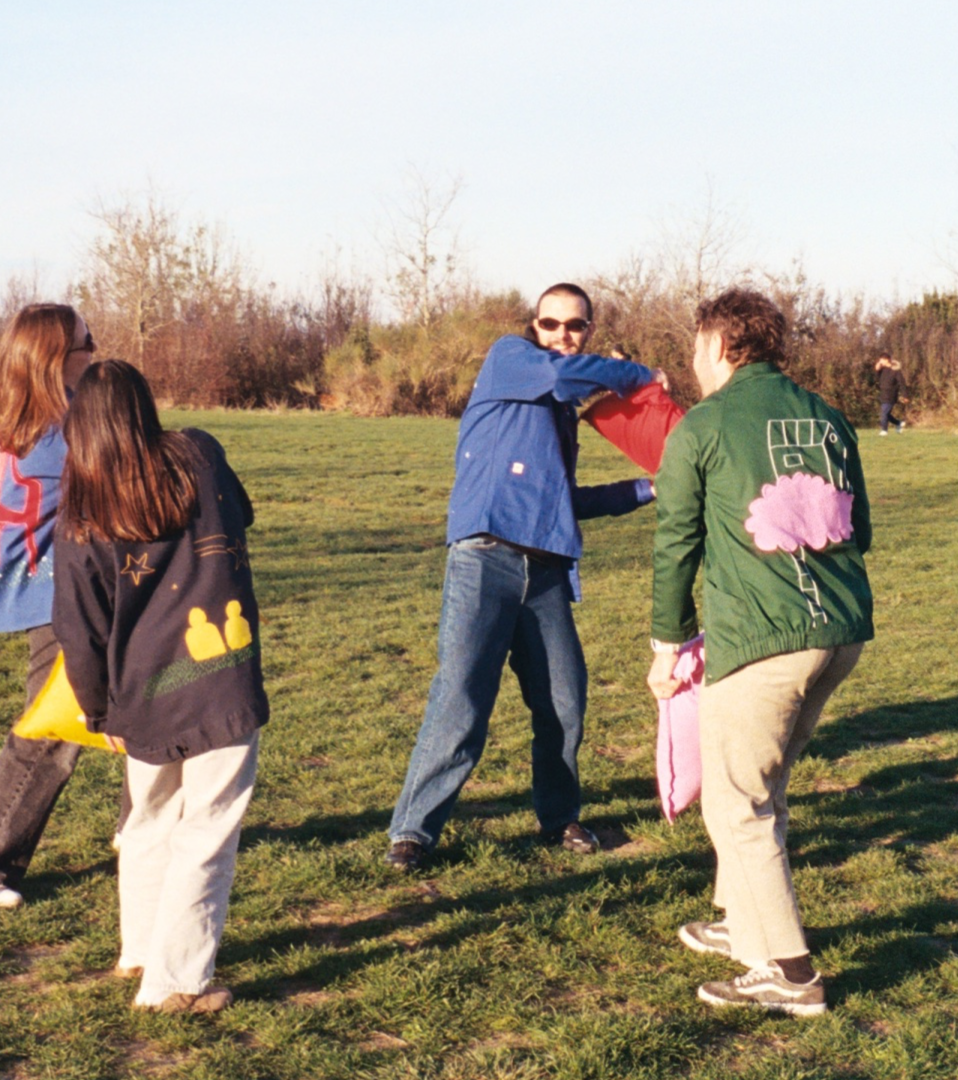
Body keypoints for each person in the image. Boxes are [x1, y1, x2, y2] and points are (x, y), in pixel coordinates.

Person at [385, 283, 668, 872]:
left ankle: (560, 818)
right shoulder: (510, 360)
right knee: (461, 699)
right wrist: (638, 375)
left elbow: (564, 501)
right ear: (533, 327)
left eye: (576, 326)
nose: (563, 334)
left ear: (589, 330)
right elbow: (566, 376)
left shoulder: (561, 414)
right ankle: (412, 833)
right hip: (483, 558)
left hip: (545, 571)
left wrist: (648, 489)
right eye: (551, 323)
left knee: (564, 701)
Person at [648, 288, 873, 1016]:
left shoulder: (704, 424)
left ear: (718, 345)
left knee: (737, 804)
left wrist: (667, 647)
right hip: (839, 633)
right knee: (758, 786)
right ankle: (743, 923)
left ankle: (790, 973)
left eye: (696, 347)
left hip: (764, 640)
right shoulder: (829, 417)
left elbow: (675, 544)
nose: (693, 362)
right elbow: (859, 530)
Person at [53, 360, 269, 1014]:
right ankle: (174, 982)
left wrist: (97, 710)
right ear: (144, 407)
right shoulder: (200, 453)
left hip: (139, 695)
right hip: (221, 684)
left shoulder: (81, 511)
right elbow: (244, 513)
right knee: (207, 830)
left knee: (147, 822)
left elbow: (77, 627)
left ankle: (143, 952)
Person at [0, 303, 110, 908]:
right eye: (88, 341)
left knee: (131, 698)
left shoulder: (18, 423)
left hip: (37, 588)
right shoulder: (65, 433)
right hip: (57, 595)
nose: (96, 351)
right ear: (57, 358)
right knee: (52, 727)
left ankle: (143, 824)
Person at [874, 352, 910, 435]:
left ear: (887, 360)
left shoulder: (896, 371)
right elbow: (878, 378)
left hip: (891, 395)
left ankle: (884, 430)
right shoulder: (882, 370)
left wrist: (905, 395)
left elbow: (902, 384)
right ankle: (899, 423)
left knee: (884, 413)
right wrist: (877, 370)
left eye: (882, 360)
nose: (880, 362)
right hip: (883, 395)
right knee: (886, 414)